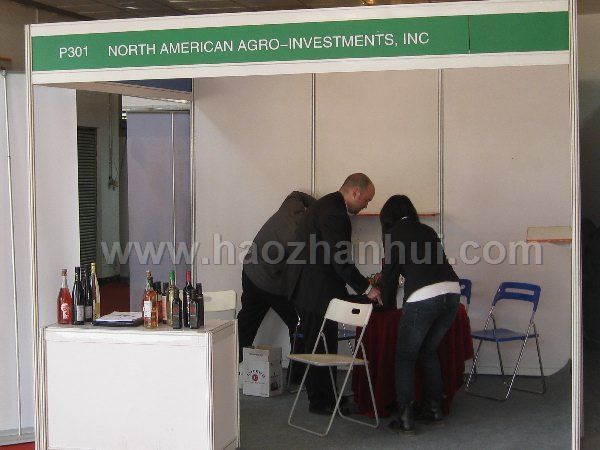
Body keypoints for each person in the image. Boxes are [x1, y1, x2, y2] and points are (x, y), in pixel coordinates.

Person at [287, 173, 382, 415]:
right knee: (321, 347)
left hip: (310, 287)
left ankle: (325, 397)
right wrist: (367, 289)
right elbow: (341, 261)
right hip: (315, 290)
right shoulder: (334, 213)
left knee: (321, 344)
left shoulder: (327, 205)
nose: (366, 205)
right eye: (367, 200)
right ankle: (322, 402)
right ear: (355, 192)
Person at [379, 195, 460, 435]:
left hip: (423, 297)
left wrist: (387, 307)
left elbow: (390, 276)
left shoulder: (393, 234)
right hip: (452, 293)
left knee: (405, 356)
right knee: (428, 351)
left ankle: (405, 417)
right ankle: (434, 409)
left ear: (388, 216)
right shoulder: (427, 230)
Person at [237, 191, 315, 362]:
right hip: (269, 282)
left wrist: (317, 205)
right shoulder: (296, 240)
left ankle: (229, 367)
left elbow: (297, 194)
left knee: (245, 325)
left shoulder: (292, 206)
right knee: (299, 323)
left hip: (250, 270)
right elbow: (301, 273)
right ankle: (298, 372)